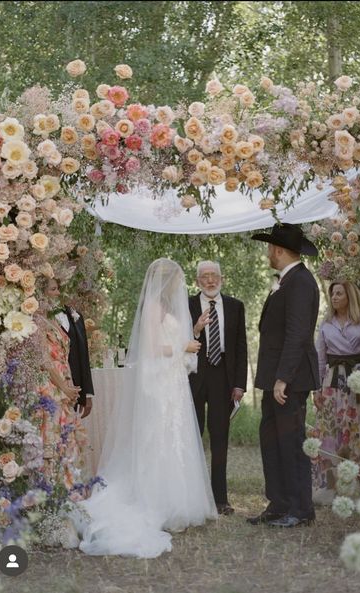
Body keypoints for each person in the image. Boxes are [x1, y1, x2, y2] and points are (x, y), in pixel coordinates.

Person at [75, 259, 217, 557]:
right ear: (167, 281)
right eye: (178, 280)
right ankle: (156, 500)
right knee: (158, 439)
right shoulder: (153, 306)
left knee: (174, 438)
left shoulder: (166, 307)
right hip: (159, 384)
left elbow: (172, 338)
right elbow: (151, 347)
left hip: (172, 382)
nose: (181, 286)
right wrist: (183, 346)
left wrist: (193, 331)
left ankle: (176, 500)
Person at [248, 223, 320, 528]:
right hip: (274, 378)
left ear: (278, 250)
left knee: (291, 443)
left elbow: (298, 334)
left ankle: (300, 509)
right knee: (271, 441)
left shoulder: (301, 282)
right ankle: (278, 503)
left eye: (269, 248)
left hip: (289, 380)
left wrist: (283, 378)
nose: (268, 253)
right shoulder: (286, 281)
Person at [313, 280, 360, 503]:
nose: (334, 297)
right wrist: (316, 389)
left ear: (349, 297)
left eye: (339, 293)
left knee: (359, 431)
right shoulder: (325, 324)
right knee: (329, 432)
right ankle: (329, 486)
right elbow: (320, 358)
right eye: (333, 294)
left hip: (359, 381)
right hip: (332, 383)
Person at [189, 261, 247, 515]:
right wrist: (197, 329)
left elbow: (241, 346)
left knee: (220, 438)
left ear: (222, 278)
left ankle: (220, 499)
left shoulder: (235, 306)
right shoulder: (187, 305)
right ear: (197, 281)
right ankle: (193, 496)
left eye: (214, 276)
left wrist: (239, 384)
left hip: (223, 374)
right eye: (205, 277)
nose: (210, 281)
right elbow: (177, 338)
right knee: (192, 435)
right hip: (193, 374)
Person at [35, 278, 86, 490]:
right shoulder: (36, 322)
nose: (57, 293)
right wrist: (63, 387)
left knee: (67, 440)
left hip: (64, 386)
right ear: (40, 293)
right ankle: (54, 491)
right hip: (49, 388)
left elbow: (64, 357)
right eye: (53, 289)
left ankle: (69, 489)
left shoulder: (51, 320)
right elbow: (44, 361)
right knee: (53, 439)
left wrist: (70, 386)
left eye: (57, 289)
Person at [55, 298, 95, 419]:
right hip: (52, 385)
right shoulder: (40, 317)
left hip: (73, 389)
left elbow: (83, 355)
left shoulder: (76, 316)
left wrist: (87, 394)